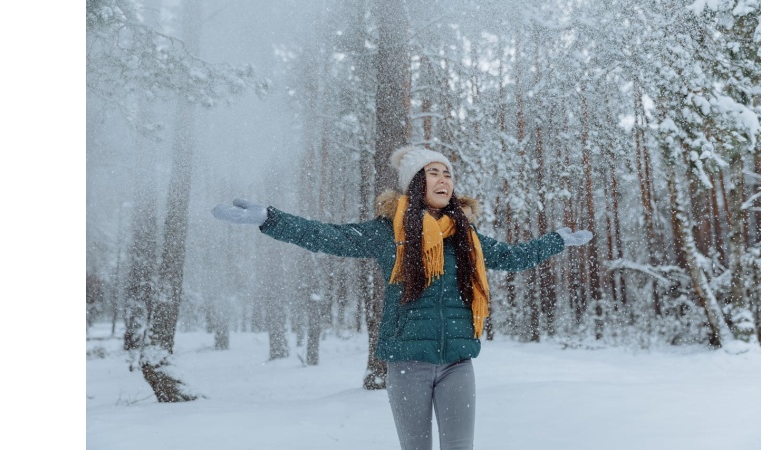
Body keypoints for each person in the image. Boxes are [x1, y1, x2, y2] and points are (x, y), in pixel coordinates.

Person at [212, 145, 592, 450]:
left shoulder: (465, 235)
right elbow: (329, 236)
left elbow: (512, 257)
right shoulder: (388, 233)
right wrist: (269, 219)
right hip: (408, 364)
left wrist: (556, 240)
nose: (444, 179)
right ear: (415, 183)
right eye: (433, 172)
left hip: (459, 362)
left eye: (448, 173)